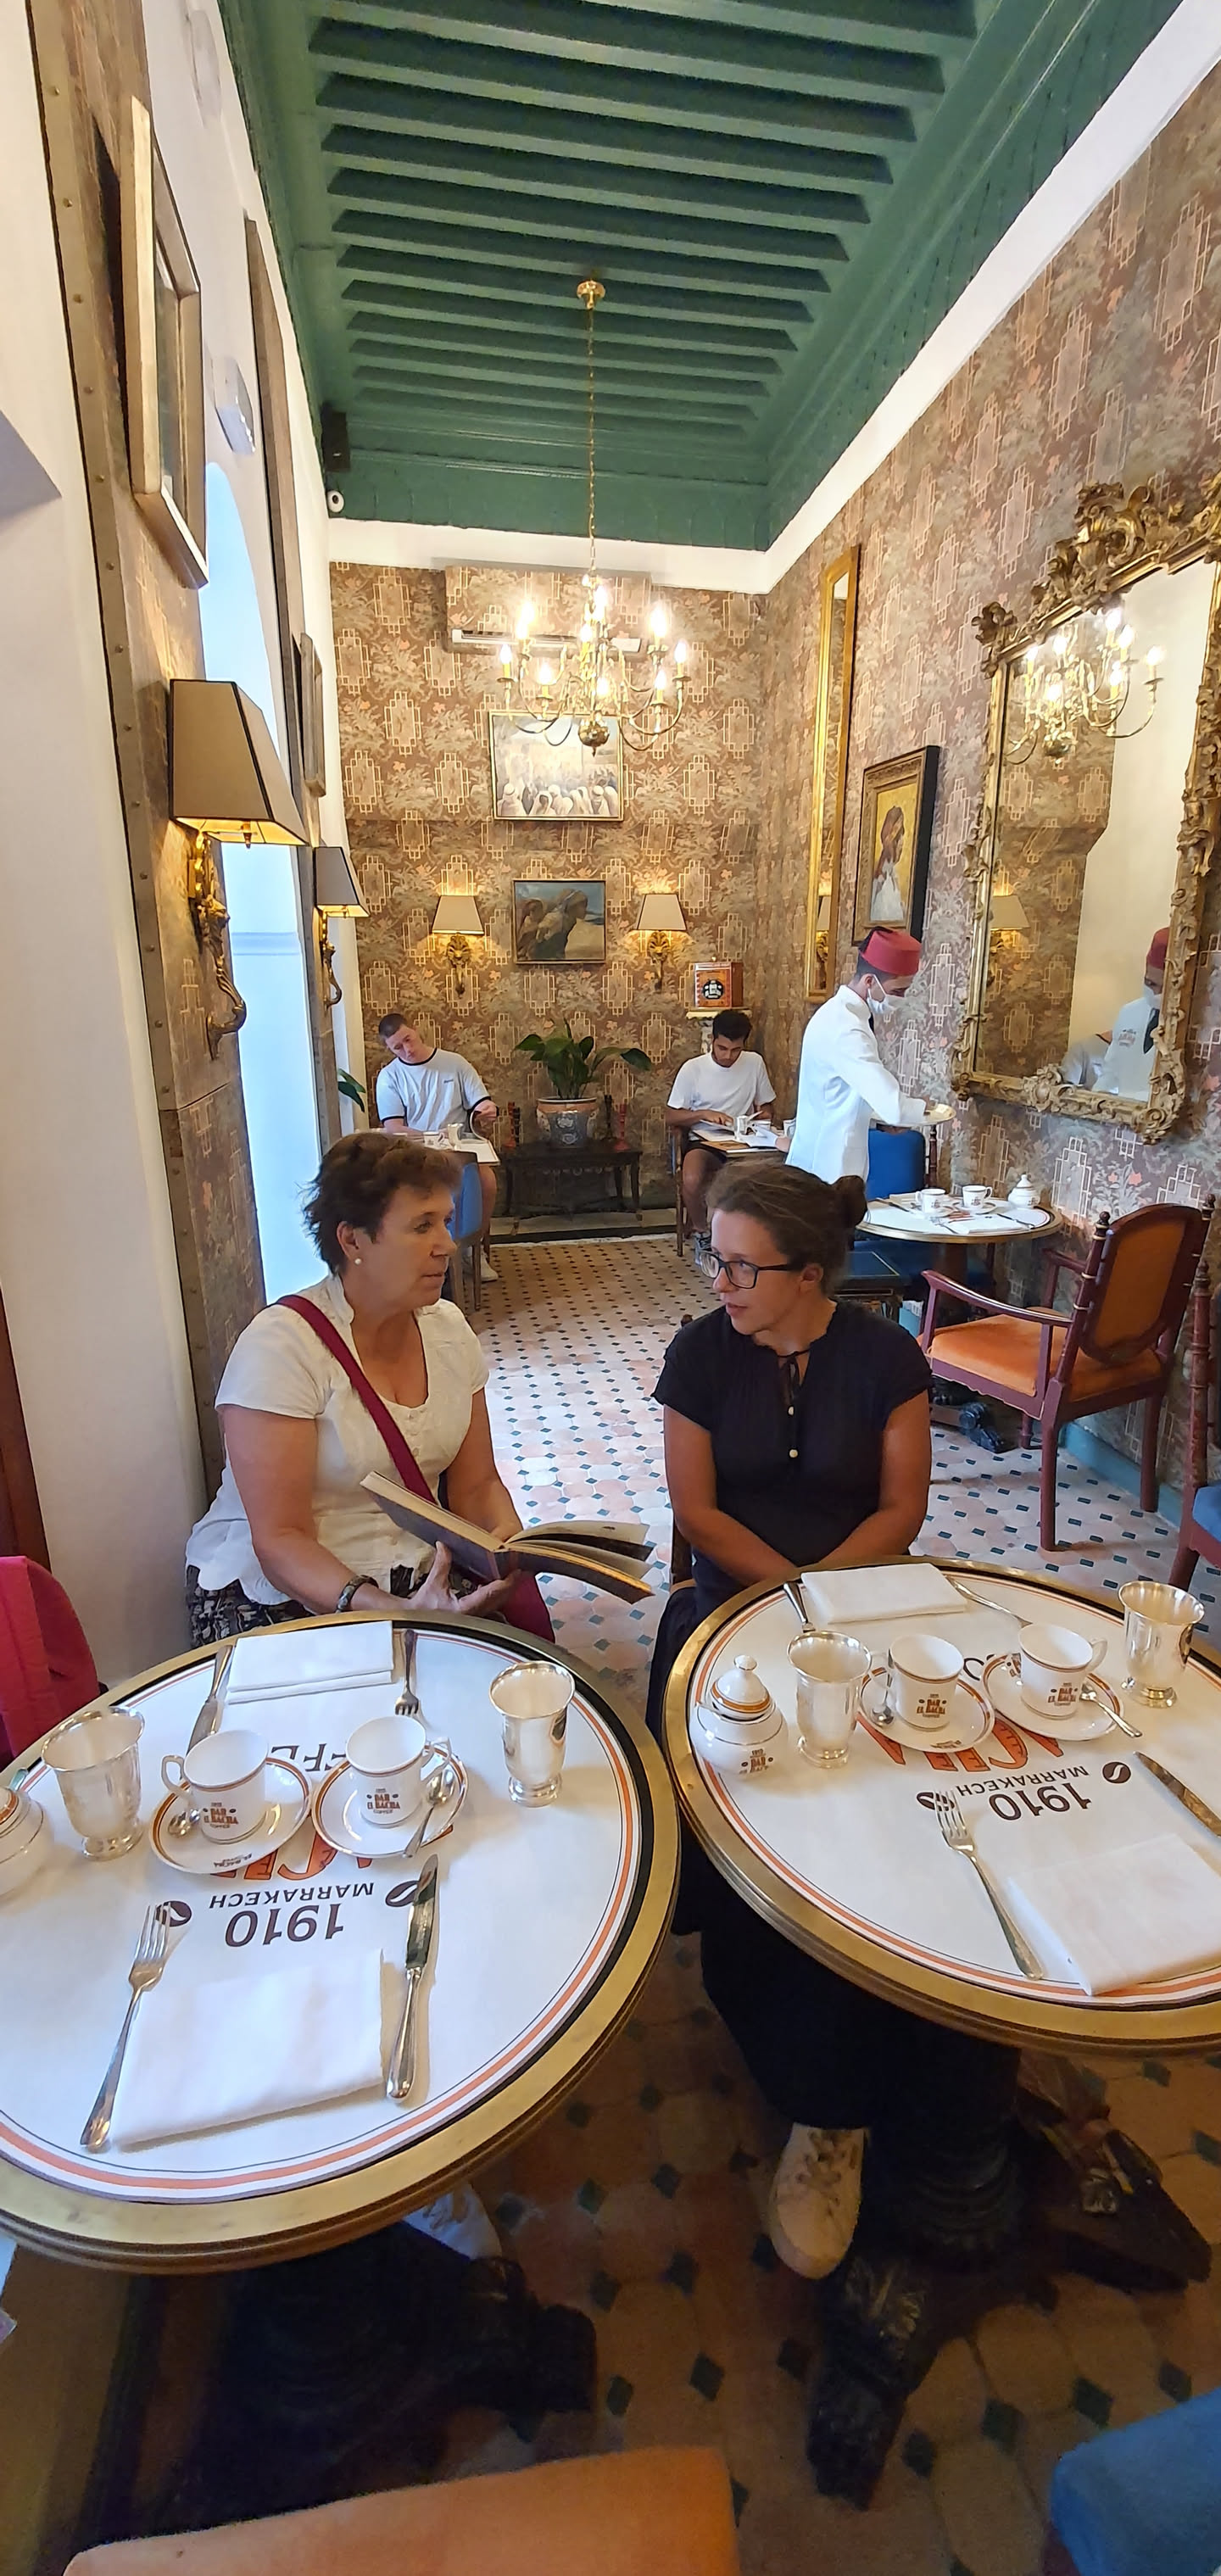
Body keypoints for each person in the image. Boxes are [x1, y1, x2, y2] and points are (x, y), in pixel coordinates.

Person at [647, 1163, 1015, 2280]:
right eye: (715, 1258)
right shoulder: (701, 1354)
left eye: (741, 1265)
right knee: (783, 1829)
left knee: (915, 1804)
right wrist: (786, 1597)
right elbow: (697, 1509)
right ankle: (825, 2101)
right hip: (733, 1612)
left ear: (810, 1274)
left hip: (867, 1608)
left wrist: (830, 1598)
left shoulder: (887, 1356)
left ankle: (958, 1993)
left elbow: (902, 1508)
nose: (721, 1281)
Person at [185, 1133, 525, 1642]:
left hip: (414, 1579)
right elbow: (280, 1541)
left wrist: (510, 1551)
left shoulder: (449, 1332)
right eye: (422, 1226)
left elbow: (477, 1486)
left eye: (446, 1221)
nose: (447, 1244)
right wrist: (395, 1614)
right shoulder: (281, 1347)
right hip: (284, 1593)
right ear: (352, 1241)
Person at [787, 925, 952, 1185]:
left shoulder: (840, 1014)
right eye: (897, 991)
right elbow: (894, 1106)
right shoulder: (846, 1028)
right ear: (869, 981)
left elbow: (843, 1094)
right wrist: (925, 1109)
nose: (902, 999)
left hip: (825, 1161)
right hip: (826, 1168)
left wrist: (879, 1123)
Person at [375, 1015, 500, 1283]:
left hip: (458, 1147)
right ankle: (420, 1252)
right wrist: (429, 1136)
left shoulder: (454, 1063)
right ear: (389, 1049)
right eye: (398, 1047)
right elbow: (394, 1126)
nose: (407, 1049)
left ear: (415, 1030)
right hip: (416, 1151)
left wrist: (486, 1109)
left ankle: (472, 1249)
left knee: (486, 1181)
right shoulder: (390, 1077)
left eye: (408, 1039)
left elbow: (480, 1102)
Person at [666, 1008, 778, 1235]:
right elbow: (671, 1116)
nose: (728, 1056)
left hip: (744, 1141)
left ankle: (745, 1234)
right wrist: (703, 1114)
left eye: (736, 1050)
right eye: (722, 1048)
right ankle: (702, 1230)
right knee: (691, 1178)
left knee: (767, 1179)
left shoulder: (754, 1063)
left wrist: (764, 1115)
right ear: (712, 1040)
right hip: (704, 1141)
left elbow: (766, 1106)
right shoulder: (693, 1069)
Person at [1092, 927, 1168, 1101]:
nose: (1156, 994)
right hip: (1122, 1113)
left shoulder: (1195, 1028)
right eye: (1150, 983)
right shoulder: (1129, 1013)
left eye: (1164, 988)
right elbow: (1109, 1077)